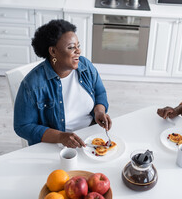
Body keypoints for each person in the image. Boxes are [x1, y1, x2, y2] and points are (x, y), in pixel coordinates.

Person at [14, 19, 111, 147]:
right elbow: (23, 126)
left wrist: (99, 111)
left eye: (78, 46)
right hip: (56, 144)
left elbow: (100, 92)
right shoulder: (32, 85)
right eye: (71, 47)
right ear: (53, 51)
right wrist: (60, 137)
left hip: (90, 137)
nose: (78, 51)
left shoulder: (85, 66)